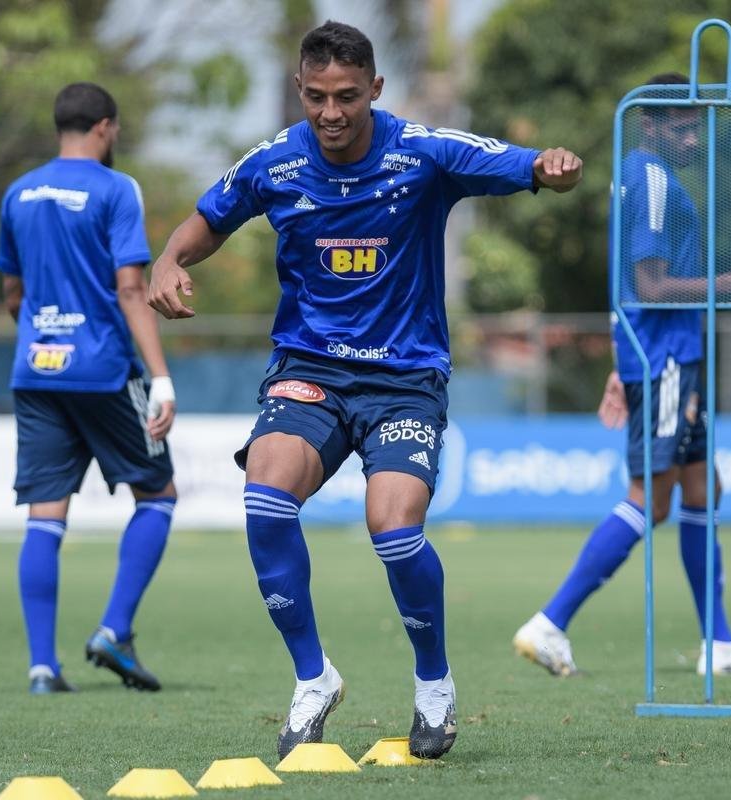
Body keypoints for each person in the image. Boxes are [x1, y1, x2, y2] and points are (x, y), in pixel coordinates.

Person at [148, 21, 581, 759]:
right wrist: (168, 262)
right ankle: (313, 677)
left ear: (374, 90)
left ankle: (435, 686)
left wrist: (548, 165)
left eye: (347, 96)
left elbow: (515, 162)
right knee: (264, 496)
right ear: (300, 90)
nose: (331, 112)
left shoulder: (421, 153)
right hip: (310, 371)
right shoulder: (276, 163)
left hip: (404, 381)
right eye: (316, 96)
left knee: (394, 528)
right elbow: (203, 222)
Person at [513, 73, 731, 678]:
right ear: (650, 123)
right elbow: (649, 285)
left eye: (698, 125)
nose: (694, 137)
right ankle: (549, 622)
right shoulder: (649, 176)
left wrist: (617, 359)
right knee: (650, 501)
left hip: (671, 355)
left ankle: (720, 641)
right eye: (684, 125)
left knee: (704, 489)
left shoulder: (647, 176)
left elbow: (625, 286)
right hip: (666, 359)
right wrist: (727, 286)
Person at [0, 82, 178, 695]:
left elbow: (12, 294)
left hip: (36, 372)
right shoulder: (115, 187)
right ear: (106, 127)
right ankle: (113, 630)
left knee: (45, 516)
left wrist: (41, 339)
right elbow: (131, 288)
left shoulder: (18, 193)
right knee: (158, 493)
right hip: (103, 370)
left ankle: (42, 666)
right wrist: (161, 378)